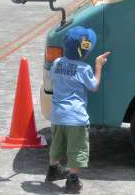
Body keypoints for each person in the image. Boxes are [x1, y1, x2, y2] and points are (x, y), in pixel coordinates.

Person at [45, 26, 110, 194]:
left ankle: (53, 170)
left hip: (57, 115)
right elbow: (94, 86)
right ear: (85, 52)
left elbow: (52, 78)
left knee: (57, 145)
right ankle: (72, 180)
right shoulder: (84, 69)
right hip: (76, 117)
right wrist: (98, 66)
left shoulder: (57, 63)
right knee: (77, 149)